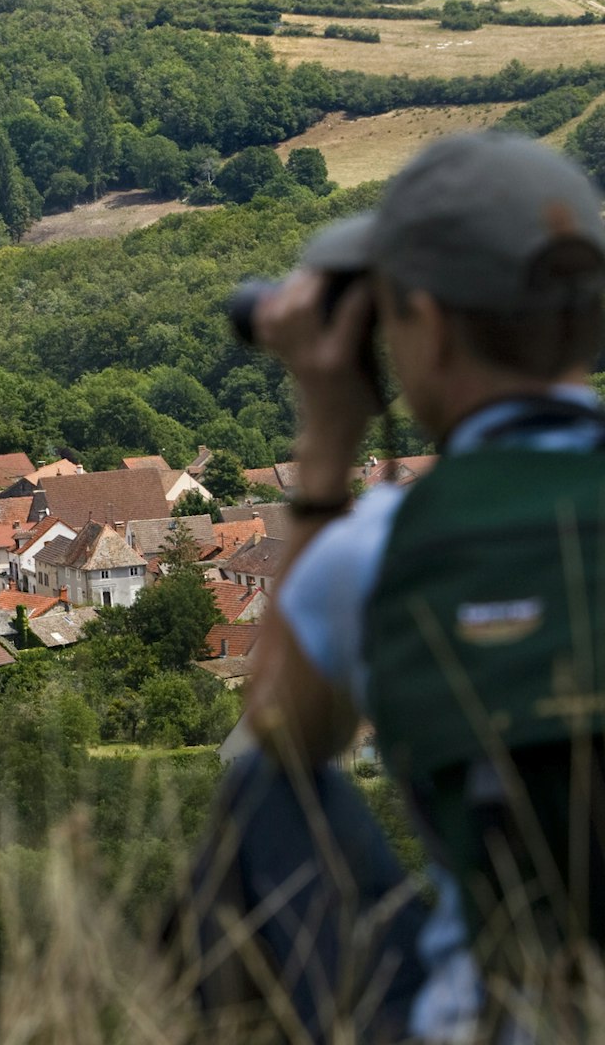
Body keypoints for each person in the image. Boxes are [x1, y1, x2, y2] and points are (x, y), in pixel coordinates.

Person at [186, 130, 605, 1041]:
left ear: (432, 324)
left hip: (491, 1023)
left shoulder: (380, 549)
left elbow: (272, 745)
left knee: (264, 798)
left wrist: (328, 440)